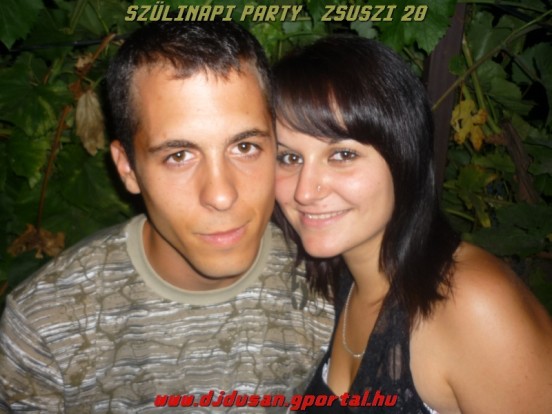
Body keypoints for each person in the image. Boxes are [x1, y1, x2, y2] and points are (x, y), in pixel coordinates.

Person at [0, 21, 335, 412]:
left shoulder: (331, 287)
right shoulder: (46, 327)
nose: (221, 195)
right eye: (179, 156)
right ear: (127, 168)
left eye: (244, 147)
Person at [272, 35, 552, 413]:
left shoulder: (473, 304)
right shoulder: (332, 280)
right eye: (289, 158)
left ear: (405, 155)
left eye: (342, 154)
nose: (305, 191)